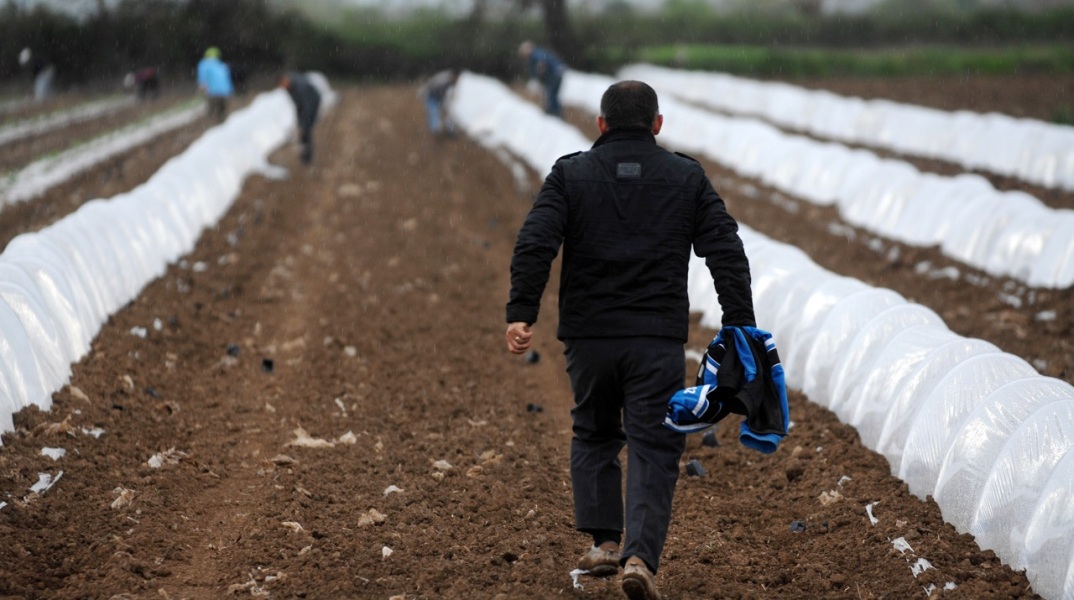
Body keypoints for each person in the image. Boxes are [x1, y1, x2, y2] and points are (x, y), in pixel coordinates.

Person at [504, 81, 756, 600]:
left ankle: (603, 543)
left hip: (589, 335)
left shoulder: (571, 173)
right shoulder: (685, 177)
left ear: (601, 124)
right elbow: (725, 250)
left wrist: (521, 311)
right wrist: (739, 322)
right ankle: (639, 557)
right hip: (655, 336)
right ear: (657, 124)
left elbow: (536, 242)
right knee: (654, 443)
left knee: (594, 431)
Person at [277, 72, 322, 165]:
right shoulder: (290, 87)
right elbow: (298, 106)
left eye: (282, 84)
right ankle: (304, 154)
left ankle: (307, 157)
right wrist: (299, 122)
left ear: (285, 80)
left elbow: (307, 107)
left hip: (313, 101)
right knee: (302, 128)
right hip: (306, 104)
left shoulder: (299, 86)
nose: (283, 87)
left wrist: (303, 125)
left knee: (306, 129)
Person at [518, 41, 566, 117]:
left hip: (553, 74)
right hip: (557, 73)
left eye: (525, 50)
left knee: (551, 93)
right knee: (552, 94)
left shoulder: (535, 55)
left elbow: (541, 64)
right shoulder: (535, 55)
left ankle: (554, 113)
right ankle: (557, 113)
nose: (524, 53)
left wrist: (540, 71)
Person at [196, 47, 233, 124]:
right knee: (222, 112)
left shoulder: (203, 64)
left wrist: (202, 88)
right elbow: (227, 79)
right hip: (225, 92)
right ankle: (222, 127)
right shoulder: (222, 65)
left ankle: (211, 128)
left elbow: (203, 79)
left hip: (213, 92)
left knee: (212, 112)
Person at [418, 69, 459, 137]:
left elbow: (451, 93)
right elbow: (429, 87)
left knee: (450, 112)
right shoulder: (441, 79)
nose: (457, 80)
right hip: (432, 96)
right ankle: (435, 132)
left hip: (442, 96)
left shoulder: (453, 81)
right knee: (434, 113)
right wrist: (424, 97)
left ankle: (450, 130)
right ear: (453, 75)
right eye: (456, 77)